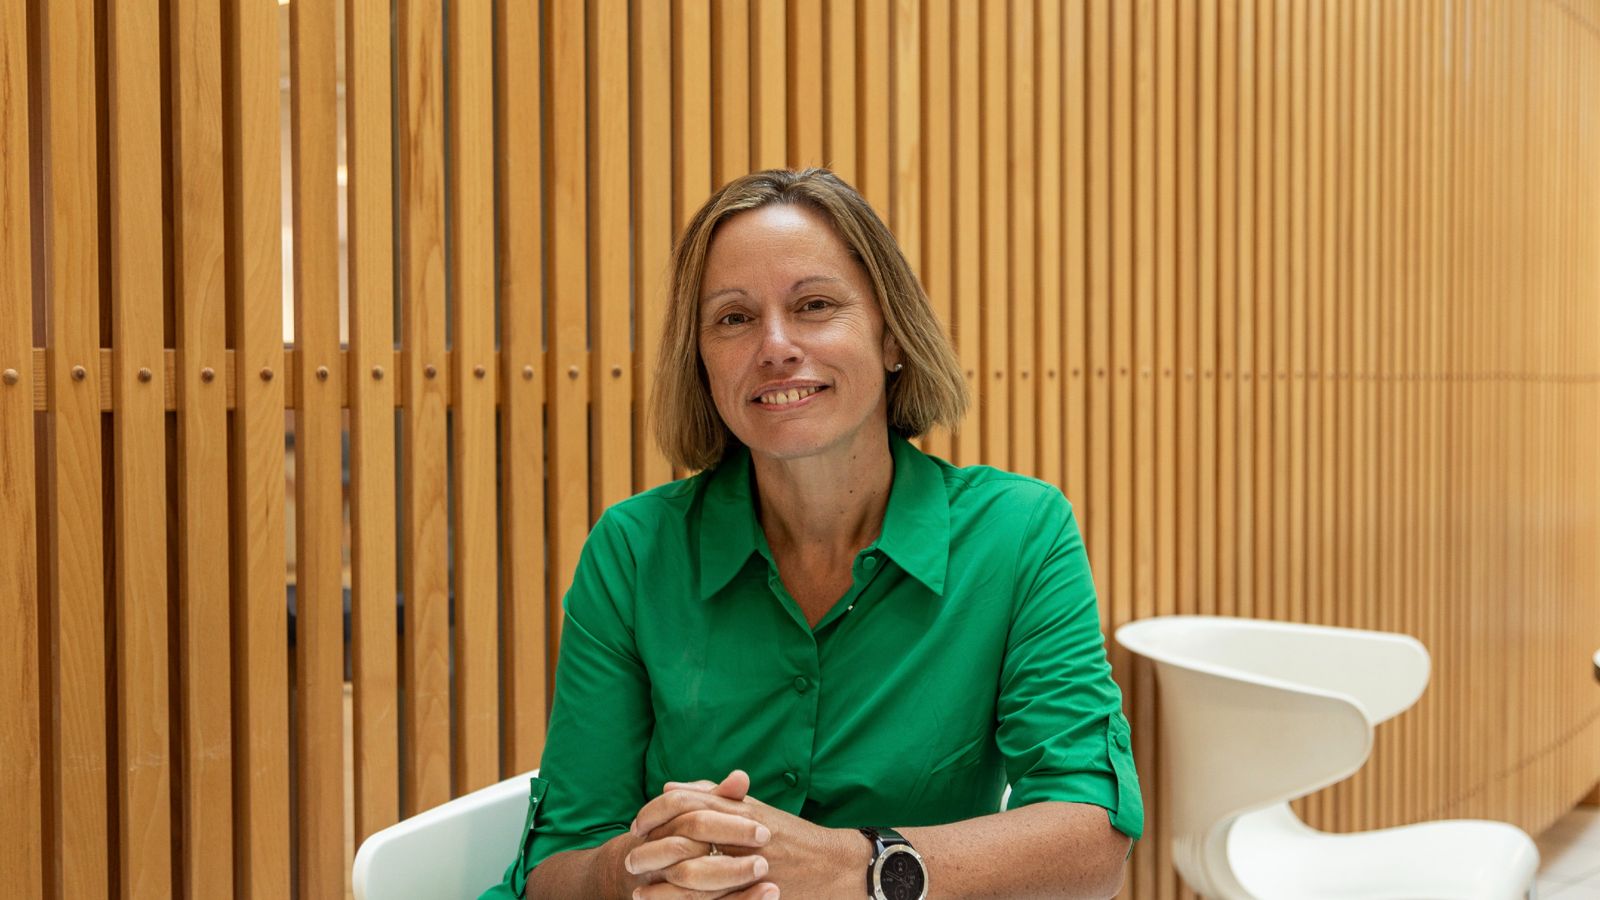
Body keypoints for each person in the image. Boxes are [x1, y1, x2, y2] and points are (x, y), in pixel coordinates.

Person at [484, 169, 1141, 900]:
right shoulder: (634, 550)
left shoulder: (1019, 533)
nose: (775, 346)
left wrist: (852, 865)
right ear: (702, 364)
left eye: (815, 306)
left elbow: (1093, 840)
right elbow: (554, 871)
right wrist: (643, 867)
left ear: (892, 337)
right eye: (733, 318)